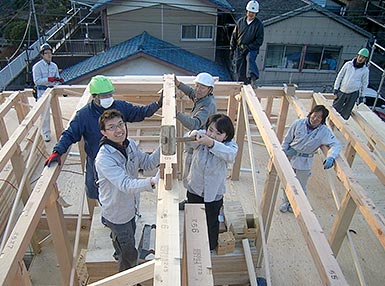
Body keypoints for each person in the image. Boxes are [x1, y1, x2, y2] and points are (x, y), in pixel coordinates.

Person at [44, 75, 163, 202]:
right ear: (94, 96)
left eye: (110, 94)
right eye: (104, 96)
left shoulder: (120, 106)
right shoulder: (84, 115)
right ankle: (110, 217)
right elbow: (70, 134)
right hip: (98, 161)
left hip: (121, 157)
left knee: (125, 189)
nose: (108, 98)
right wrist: (57, 151)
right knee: (104, 194)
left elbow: (140, 112)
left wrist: (157, 104)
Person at [94, 109, 160, 272]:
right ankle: (126, 275)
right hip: (117, 212)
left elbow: (147, 163)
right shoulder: (104, 158)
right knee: (129, 253)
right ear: (103, 132)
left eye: (120, 124)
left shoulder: (129, 144)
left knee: (127, 233)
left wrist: (164, 146)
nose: (118, 130)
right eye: (111, 127)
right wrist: (151, 181)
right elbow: (125, 184)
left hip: (130, 206)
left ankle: (118, 247)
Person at [184, 114, 238, 250]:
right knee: (194, 219)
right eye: (211, 130)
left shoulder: (230, 146)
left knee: (211, 221)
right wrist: (193, 134)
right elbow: (188, 139)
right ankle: (193, 243)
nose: (212, 135)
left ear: (226, 136)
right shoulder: (201, 136)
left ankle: (209, 246)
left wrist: (212, 144)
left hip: (213, 193)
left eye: (218, 133)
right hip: (195, 188)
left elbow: (230, 155)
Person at [279, 105, 341, 213]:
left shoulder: (324, 131)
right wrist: (282, 153)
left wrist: (331, 157)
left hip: (305, 161)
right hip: (291, 156)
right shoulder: (298, 123)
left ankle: (297, 206)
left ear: (322, 120)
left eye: (319, 118)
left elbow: (336, 144)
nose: (315, 119)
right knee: (287, 182)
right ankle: (286, 202)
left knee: (301, 186)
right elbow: (287, 139)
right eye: (314, 115)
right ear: (310, 114)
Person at [174, 73, 217, 210]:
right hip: (197, 140)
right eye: (197, 85)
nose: (198, 90)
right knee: (190, 173)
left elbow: (195, 124)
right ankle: (190, 199)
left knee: (193, 173)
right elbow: (191, 92)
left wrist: (177, 114)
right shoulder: (201, 97)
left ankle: (195, 202)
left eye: (202, 88)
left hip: (201, 144)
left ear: (210, 90)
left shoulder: (208, 105)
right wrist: (178, 84)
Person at [32, 43, 64, 142]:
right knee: (44, 114)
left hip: (52, 90)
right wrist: (48, 79)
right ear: (42, 55)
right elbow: (37, 81)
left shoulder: (54, 66)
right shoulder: (37, 67)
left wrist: (59, 82)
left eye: (50, 53)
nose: (49, 55)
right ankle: (46, 133)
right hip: (42, 91)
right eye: (46, 53)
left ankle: (60, 130)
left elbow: (56, 79)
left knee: (56, 111)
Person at [230, 0, 264, 86]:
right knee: (239, 64)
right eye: (250, 12)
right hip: (240, 47)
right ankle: (242, 82)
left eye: (253, 12)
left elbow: (259, 40)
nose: (251, 14)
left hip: (252, 48)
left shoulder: (258, 25)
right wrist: (232, 49)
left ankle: (252, 77)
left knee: (250, 59)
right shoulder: (241, 22)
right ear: (247, 11)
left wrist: (248, 47)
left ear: (256, 13)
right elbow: (234, 35)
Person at [333, 48, 370, 120]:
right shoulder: (348, 64)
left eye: (363, 58)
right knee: (335, 108)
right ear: (357, 56)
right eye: (360, 56)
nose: (360, 59)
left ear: (365, 59)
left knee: (346, 113)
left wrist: (362, 96)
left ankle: (341, 127)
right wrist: (336, 87)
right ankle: (330, 124)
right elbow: (340, 76)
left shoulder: (365, 70)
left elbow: (364, 83)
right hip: (342, 90)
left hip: (353, 93)